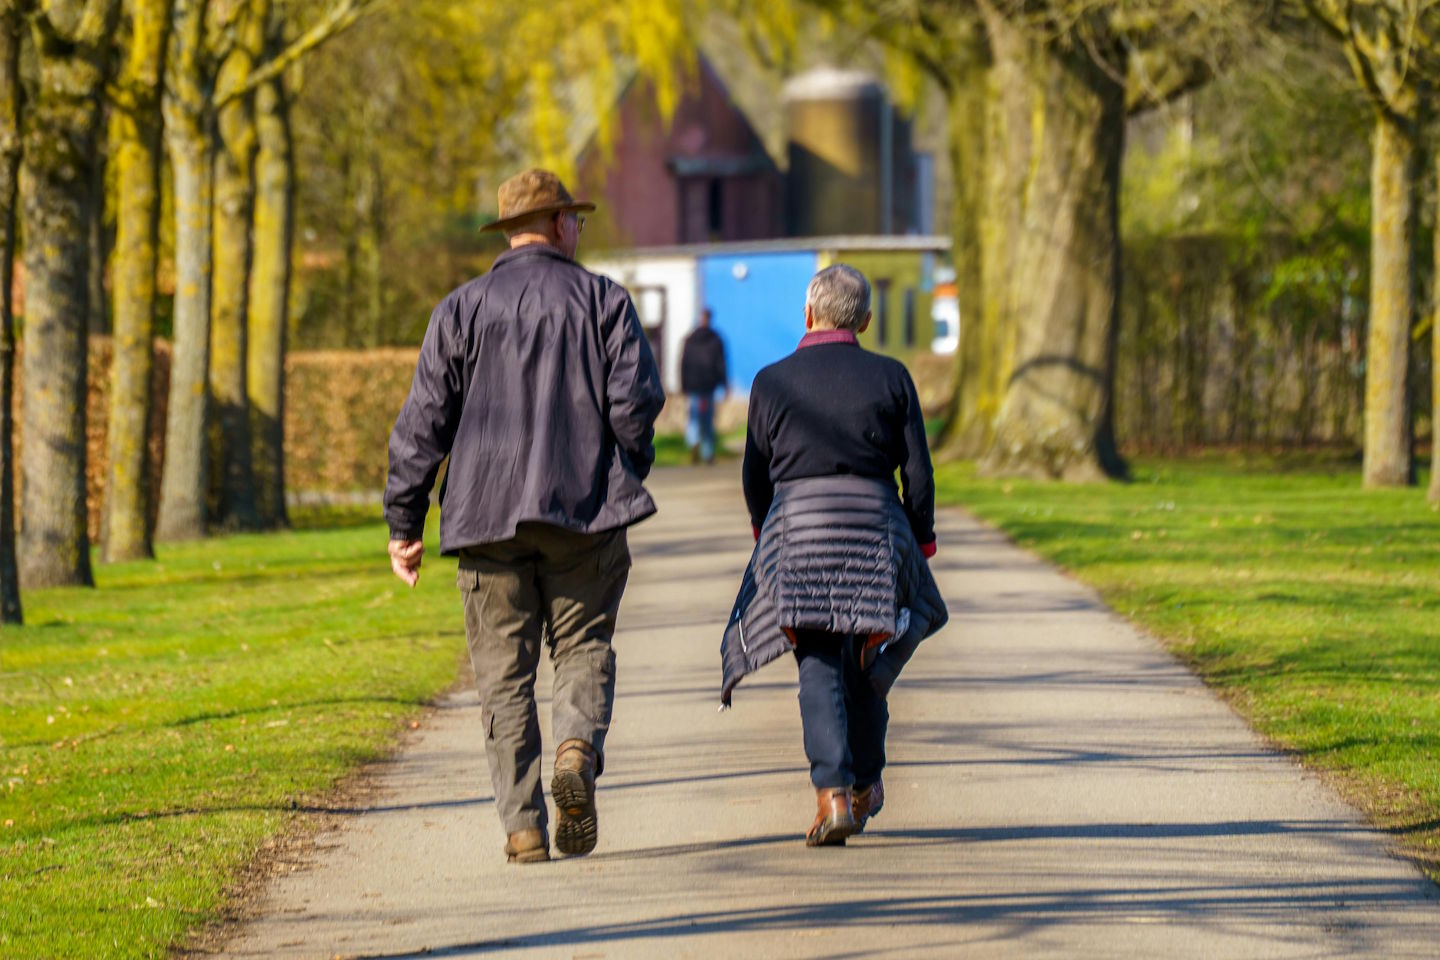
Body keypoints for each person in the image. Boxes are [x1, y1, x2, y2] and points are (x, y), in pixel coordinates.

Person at [385, 169, 665, 865]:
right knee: (583, 646)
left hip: (486, 517)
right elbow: (635, 405)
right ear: (561, 224)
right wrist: (630, 465)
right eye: (576, 219)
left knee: (503, 677)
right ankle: (575, 746)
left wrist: (405, 520)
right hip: (586, 514)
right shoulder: (604, 301)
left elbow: (423, 422)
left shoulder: (461, 309)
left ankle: (524, 828)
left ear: (509, 231)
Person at [720, 263, 948, 847]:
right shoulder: (892, 377)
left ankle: (834, 796)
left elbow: (755, 475)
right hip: (874, 529)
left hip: (799, 531)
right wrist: (920, 538)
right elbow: (917, 473)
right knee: (868, 659)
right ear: (866, 320)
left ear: (807, 314)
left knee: (818, 659)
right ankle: (867, 781)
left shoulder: (772, 382)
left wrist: (763, 528)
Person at [679, 309, 728, 464]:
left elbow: (683, 363)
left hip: (695, 385)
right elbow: (721, 363)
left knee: (694, 417)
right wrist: (724, 383)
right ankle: (707, 452)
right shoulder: (715, 339)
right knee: (706, 419)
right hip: (708, 384)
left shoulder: (690, 339)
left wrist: (683, 384)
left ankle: (694, 444)